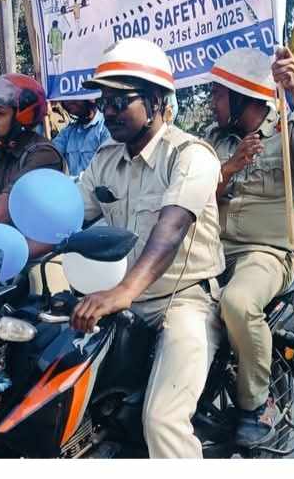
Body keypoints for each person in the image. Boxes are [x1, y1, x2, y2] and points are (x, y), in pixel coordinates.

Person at [68, 38, 225, 459]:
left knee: (163, 420)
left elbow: (170, 229)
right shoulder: (105, 160)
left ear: (156, 101)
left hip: (183, 300)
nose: (109, 111)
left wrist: (123, 292)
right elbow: (66, 221)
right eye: (104, 101)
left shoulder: (191, 156)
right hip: (120, 304)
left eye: (121, 100)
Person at [206, 47, 294, 447]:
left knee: (237, 303)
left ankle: (256, 403)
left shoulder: (288, 132)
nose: (212, 102)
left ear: (242, 96)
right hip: (210, 250)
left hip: (265, 253)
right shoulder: (212, 140)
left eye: (218, 94)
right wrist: (228, 169)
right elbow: (191, 195)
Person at [0, 73, 65, 226]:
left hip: (41, 245)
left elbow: (11, 200)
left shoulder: (43, 154)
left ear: (23, 116)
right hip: (10, 242)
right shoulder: (0, 155)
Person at [53, 96, 111, 177]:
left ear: (92, 99)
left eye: (74, 96)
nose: (68, 101)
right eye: (66, 98)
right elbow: (52, 154)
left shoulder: (105, 128)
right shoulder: (68, 132)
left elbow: (106, 170)